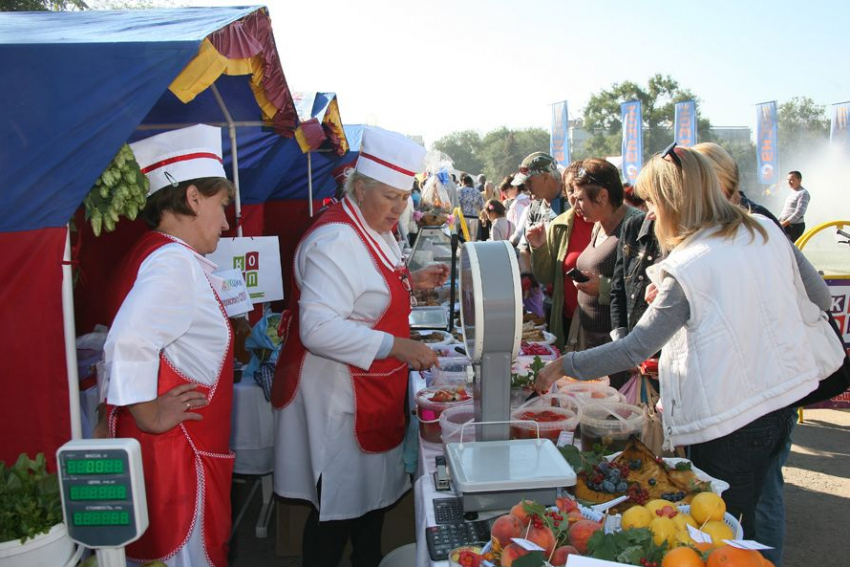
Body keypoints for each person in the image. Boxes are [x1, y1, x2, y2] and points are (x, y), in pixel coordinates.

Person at [536, 145, 832, 541]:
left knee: (723, 535)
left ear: (676, 200)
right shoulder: (761, 230)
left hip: (732, 419)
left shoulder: (690, 264)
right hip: (781, 404)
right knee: (755, 517)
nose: (650, 214)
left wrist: (563, 366)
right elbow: (820, 299)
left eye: (654, 202)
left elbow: (635, 347)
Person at [271, 126, 449, 567]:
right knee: (337, 513)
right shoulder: (334, 240)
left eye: (404, 197)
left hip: (371, 384)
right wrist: (398, 347)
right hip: (337, 395)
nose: (399, 207)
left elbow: (371, 286)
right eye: (389, 196)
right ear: (359, 186)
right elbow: (318, 329)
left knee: (369, 509)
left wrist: (413, 281)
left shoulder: (372, 228)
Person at [101, 124, 235, 567]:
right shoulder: (173, 262)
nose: (227, 221)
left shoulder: (154, 251)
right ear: (194, 198)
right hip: (181, 464)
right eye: (222, 204)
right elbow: (127, 341)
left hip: (176, 458)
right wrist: (150, 412)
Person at [692, 141, 789, 566]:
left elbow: (809, 296)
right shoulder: (723, 228)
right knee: (757, 496)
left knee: (755, 502)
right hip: (758, 390)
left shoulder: (756, 226)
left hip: (757, 392)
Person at [569, 159, 641, 386]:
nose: (575, 205)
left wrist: (603, 288)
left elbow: (641, 291)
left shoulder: (635, 226)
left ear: (602, 195)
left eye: (580, 199)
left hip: (616, 350)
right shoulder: (598, 224)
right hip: (591, 340)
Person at [527, 161, 594, 348]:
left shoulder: (616, 223)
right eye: (570, 190)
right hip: (568, 321)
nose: (575, 196)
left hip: (605, 325)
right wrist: (539, 249)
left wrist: (603, 288)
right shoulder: (560, 224)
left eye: (579, 189)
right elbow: (545, 276)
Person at [778, 170, 810, 242]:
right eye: (788, 180)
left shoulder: (803, 193)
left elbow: (799, 212)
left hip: (794, 226)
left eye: (792, 180)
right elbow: (785, 211)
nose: (789, 182)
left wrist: (784, 223)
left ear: (799, 180)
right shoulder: (792, 193)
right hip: (785, 225)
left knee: (788, 248)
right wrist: (778, 221)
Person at [459, 173, 485, 241]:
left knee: (464, 239)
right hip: (475, 217)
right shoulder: (477, 192)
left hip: (464, 217)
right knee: (473, 239)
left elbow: (458, 204)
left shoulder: (461, 191)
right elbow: (482, 205)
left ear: (463, 182)